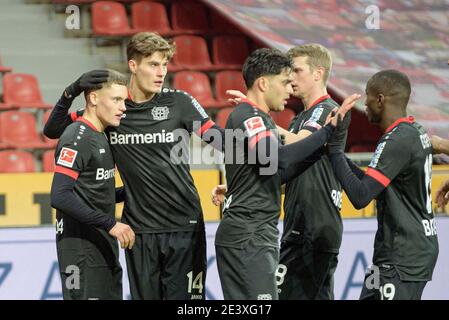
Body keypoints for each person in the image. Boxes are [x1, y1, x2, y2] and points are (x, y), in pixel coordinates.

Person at [44, 32, 229, 300]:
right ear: (133, 65)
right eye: (154, 64)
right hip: (138, 232)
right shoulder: (115, 109)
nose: (161, 72)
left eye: (165, 65)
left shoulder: (180, 103)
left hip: (184, 226)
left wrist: (269, 150)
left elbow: (222, 141)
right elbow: (53, 130)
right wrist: (70, 91)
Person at [214, 48, 358, 300]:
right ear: (263, 83)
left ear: (318, 74)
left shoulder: (313, 111)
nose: (290, 84)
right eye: (285, 80)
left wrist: (323, 142)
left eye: (297, 72)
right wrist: (325, 135)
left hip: (298, 229)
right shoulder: (257, 117)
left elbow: (282, 165)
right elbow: (281, 160)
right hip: (254, 233)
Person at [328, 69, 439, 300]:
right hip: (395, 255)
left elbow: (361, 196)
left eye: (367, 96)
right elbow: (371, 184)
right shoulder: (410, 131)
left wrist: (336, 150)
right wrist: (334, 154)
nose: (364, 104)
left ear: (380, 99)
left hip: (402, 257)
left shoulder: (397, 139)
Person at [51, 69, 135, 300]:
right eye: (116, 99)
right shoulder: (77, 137)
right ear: (94, 99)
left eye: (124, 100)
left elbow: (96, 193)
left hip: (101, 246)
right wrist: (111, 223)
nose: (123, 107)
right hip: (80, 250)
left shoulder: (102, 134)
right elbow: (60, 196)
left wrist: (136, 191)